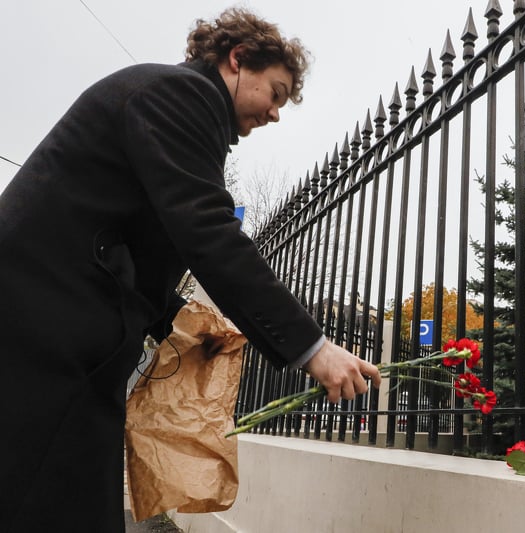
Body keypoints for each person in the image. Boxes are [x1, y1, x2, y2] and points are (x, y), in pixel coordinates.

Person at [0, 8, 380, 532]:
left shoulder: (172, 105)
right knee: (50, 499)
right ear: (238, 59)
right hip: (45, 331)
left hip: (52, 326)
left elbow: (145, 240)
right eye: (275, 91)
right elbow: (208, 234)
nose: (276, 114)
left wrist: (178, 319)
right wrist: (312, 348)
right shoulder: (181, 96)